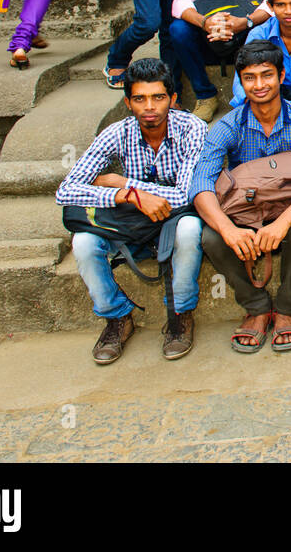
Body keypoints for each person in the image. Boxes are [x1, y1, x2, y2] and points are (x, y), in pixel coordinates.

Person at [55, 58, 207, 363]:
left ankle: (180, 313)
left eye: (158, 97)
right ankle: (117, 317)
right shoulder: (116, 133)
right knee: (83, 243)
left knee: (191, 229)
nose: (149, 106)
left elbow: (185, 193)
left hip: (175, 220)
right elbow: (66, 190)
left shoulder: (193, 128)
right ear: (128, 102)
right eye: (139, 98)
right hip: (132, 223)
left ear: (173, 99)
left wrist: (117, 181)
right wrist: (129, 195)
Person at [191, 40, 291, 353]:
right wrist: (229, 230)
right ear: (240, 83)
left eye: (267, 75)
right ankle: (256, 306)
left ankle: (285, 305)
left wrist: (281, 223)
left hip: (289, 207)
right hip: (244, 210)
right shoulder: (228, 125)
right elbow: (200, 183)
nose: (259, 85)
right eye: (250, 78)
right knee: (211, 238)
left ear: (281, 75)